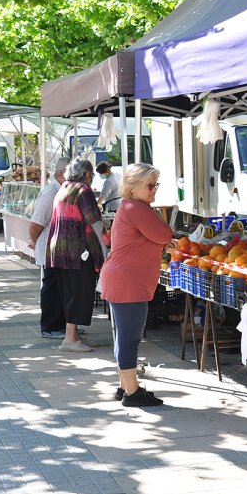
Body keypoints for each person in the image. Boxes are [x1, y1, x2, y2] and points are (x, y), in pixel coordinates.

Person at [100, 163, 173, 407]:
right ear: (133, 187)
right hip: (128, 281)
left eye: (156, 185)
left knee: (125, 336)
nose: (154, 190)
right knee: (130, 337)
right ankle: (132, 392)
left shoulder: (131, 207)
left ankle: (125, 386)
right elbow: (164, 235)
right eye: (149, 185)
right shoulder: (137, 208)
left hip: (123, 279)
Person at [45, 159, 106, 352]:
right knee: (80, 292)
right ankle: (70, 340)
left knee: (69, 292)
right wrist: (106, 243)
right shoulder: (83, 190)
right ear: (87, 174)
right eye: (92, 175)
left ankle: (74, 336)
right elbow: (94, 221)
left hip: (59, 248)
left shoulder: (64, 187)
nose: (92, 178)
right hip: (79, 251)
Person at [28, 157, 74, 339]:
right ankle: (49, 327)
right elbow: (36, 224)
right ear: (61, 173)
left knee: (60, 289)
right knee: (52, 288)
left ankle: (61, 325)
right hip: (50, 250)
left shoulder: (61, 190)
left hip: (58, 249)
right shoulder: (50, 193)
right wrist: (35, 241)